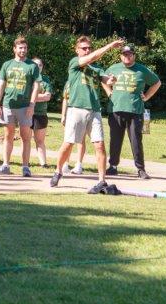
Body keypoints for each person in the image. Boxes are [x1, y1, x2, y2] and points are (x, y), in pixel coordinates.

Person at [50, 37, 124, 193]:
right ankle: (58, 171)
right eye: (84, 48)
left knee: (100, 145)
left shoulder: (96, 68)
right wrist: (110, 45)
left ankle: (102, 180)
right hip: (76, 109)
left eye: (89, 48)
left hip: (94, 110)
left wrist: (112, 79)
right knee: (69, 143)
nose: (87, 50)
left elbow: (106, 80)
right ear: (77, 50)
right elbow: (92, 57)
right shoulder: (74, 63)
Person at [102, 45, 162, 180]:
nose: (127, 56)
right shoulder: (113, 68)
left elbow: (157, 83)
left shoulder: (142, 70)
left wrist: (147, 96)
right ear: (120, 56)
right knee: (115, 139)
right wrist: (109, 92)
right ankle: (113, 166)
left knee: (136, 140)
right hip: (116, 109)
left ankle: (140, 169)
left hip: (135, 110)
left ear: (134, 55)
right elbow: (103, 80)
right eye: (124, 54)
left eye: (129, 54)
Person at [0, 36, 41, 177]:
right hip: (8, 105)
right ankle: (5, 165)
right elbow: (1, 85)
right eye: (20, 48)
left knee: (25, 137)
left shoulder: (32, 66)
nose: (23, 50)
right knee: (8, 136)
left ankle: (25, 167)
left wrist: (32, 105)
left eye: (25, 48)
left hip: (25, 107)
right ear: (14, 49)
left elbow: (36, 86)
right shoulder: (7, 64)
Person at [31, 57, 54, 168]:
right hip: (27, 113)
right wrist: (41, 96)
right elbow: (25, 97)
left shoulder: (45, 80)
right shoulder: (27, 78)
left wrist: (33, 97)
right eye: (35, 65)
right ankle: (25, 163)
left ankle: (43, 163)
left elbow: (47, 97)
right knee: (25, 140)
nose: (38, 67)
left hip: (41, 113)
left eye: (40, 65)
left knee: (40, 140)